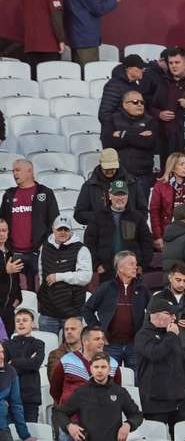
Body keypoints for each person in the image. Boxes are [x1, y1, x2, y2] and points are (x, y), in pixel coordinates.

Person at [53, 352, 142, 441]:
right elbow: (60, 413)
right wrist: (69, 426)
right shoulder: (81, 392)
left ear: (109, 369)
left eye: (103, 367)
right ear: (91, 369)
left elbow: (137, 415)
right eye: (96, 367)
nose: (99, 370)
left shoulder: (120, 392)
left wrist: (128, 424)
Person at [135, 295, 185, 438]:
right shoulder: (143, 335)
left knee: (181, 436)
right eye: (169, 314)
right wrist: (171, 336)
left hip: (178, 399)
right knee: (156, 437)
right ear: (155, 315)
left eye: (174, 314)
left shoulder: (171, 334)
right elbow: (155, 354)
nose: (173, 318)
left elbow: (181, 362)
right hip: (155, 401)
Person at [0, 159, 59, 291]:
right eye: (13, 171)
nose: (14, 174)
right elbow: (2, 222)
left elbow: (54, 222)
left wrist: (44, 245)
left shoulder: (45, 193)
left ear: (29, 171)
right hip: (14, 253)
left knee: (40, 291)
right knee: (16, 292)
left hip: (38, 252)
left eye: (18, 170)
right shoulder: (8, 195)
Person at [83, 181, 153, 282]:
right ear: (110, 196)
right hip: (106, 270)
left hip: (131, 270)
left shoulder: (137, 217)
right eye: (117, 194)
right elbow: (89, 242)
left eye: (123, 194)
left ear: (128, 196)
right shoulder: (97, 217)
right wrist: (96, 265)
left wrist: (142, 265)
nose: (120, 198)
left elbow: (147, 242)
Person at [36, 216, 92, 334]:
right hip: (48, 312)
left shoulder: (81, 249)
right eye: (59, 229)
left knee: (73, 350)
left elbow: (85, 277)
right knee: (48, 349)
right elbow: (41, 274)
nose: (62, 232)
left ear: (71, 231)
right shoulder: (44, 247)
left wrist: (59, 276)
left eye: (66, 230)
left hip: (72, 312)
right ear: (53, 229)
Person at [101, 89, 158, 197]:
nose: (140, 105)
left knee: (141, 210)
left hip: (142, 175)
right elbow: (108, 143)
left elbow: (148, 142)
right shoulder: (112, 120)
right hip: (118, 175)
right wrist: (138, 135)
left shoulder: (150, 121)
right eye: (135, 102)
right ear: (124, 104)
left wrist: (123, 134)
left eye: (142, 102)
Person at [74, 149, 147, 228]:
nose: (109, 171)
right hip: (100, 233)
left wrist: (128, 218)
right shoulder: (89, 185)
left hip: (129, 232)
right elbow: (79, 214)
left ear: (118, 162)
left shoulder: (132, 182)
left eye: (112, 168)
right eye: (106, 168)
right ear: (100, 163)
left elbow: (143, 211)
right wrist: (100, 218)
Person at [149, 153, 185, 249]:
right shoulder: (160, 186)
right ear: (173, 168)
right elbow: (154, 212)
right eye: (181, 164)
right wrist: (158, 236)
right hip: (168, 232)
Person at [22, 0, 65, 77]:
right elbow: (56, 17)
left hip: (30, 45)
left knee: (35, 80)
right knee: (50, 80)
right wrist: (61, 39)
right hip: (49, 45)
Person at [3, 309, 45, 423]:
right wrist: (27, 362)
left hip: (30, 398)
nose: (21, 323)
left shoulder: (39, 344)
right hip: (9, 398)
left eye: (25, 320)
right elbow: (4, 368)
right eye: (18, 321)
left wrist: (14, 362)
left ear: (32, 324)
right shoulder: (6, 345)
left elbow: (36, 363)